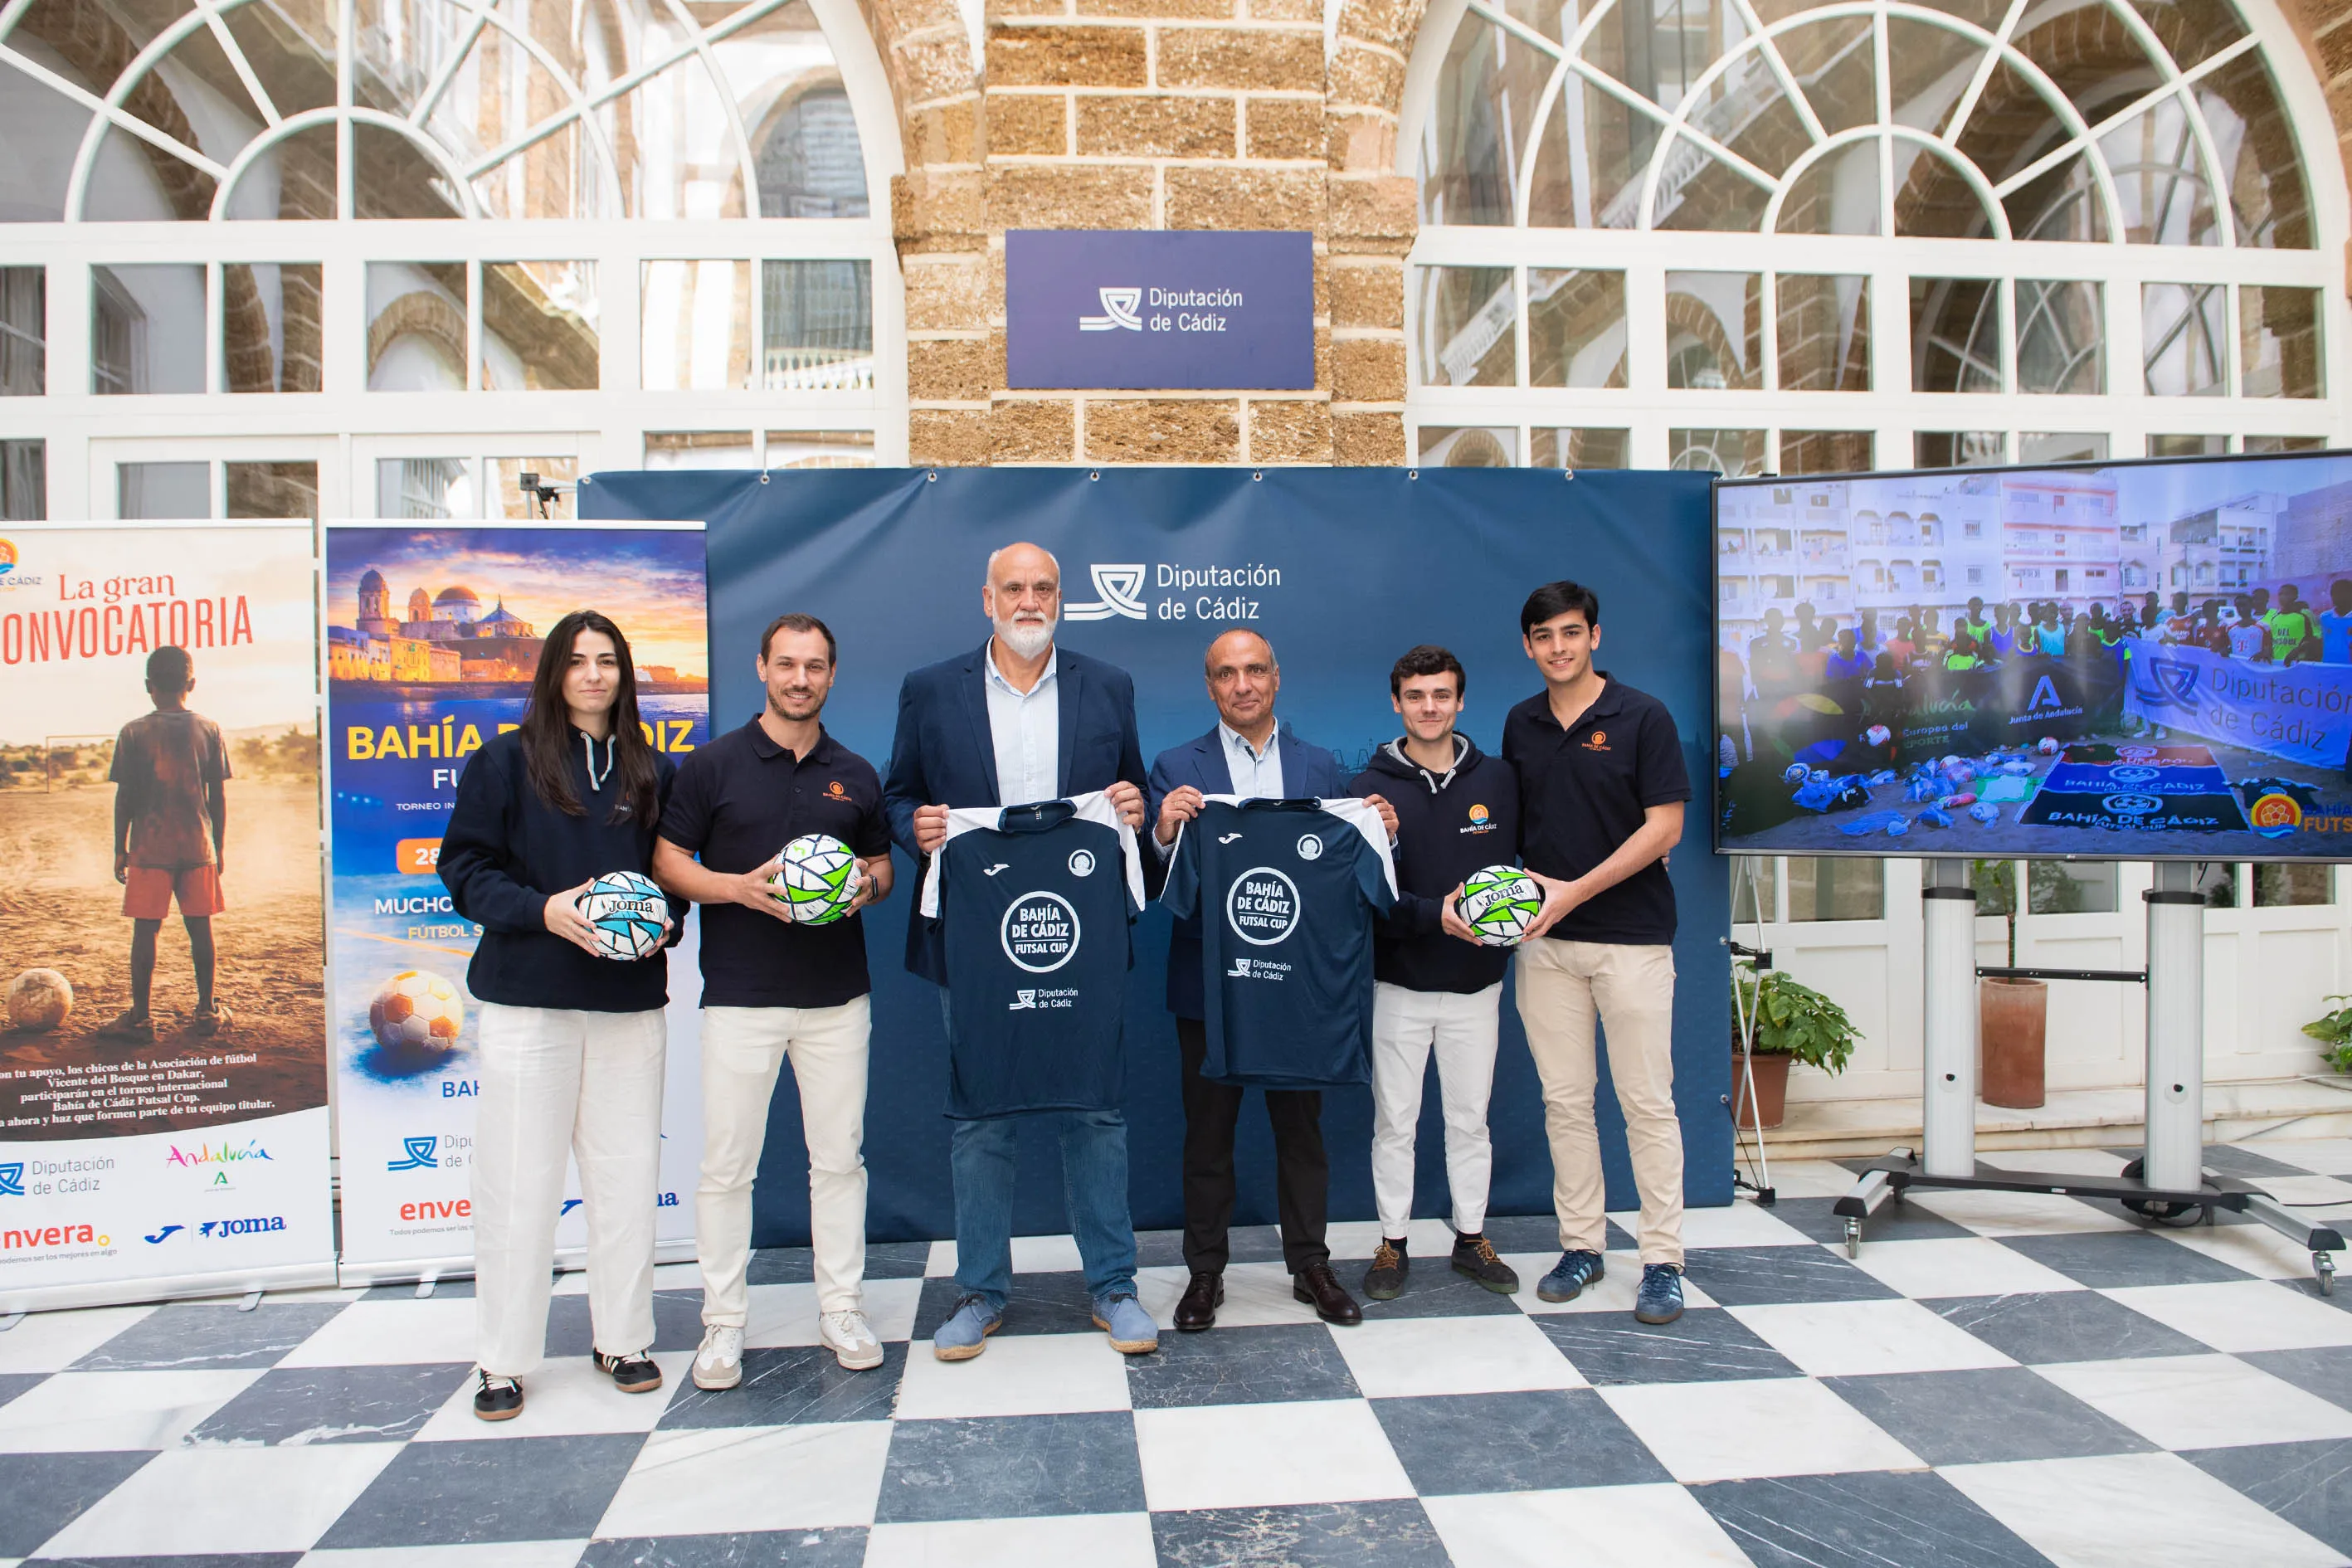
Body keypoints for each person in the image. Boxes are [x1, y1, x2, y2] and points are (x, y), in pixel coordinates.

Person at [882, 543, 1157, 1361]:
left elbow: (1131, 792)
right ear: (987, 599)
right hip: (972, 938)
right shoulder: (932, 690)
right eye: (1014, 588)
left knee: (1095, 1110)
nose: (1029, 600)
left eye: (1043, 588)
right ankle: (980, 1293)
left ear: (1062, 599)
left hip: (1081, 937)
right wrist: (917, 829)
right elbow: (900, 794)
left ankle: (1113, 1286)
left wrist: (1134, 810)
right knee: (981, 1118)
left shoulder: (1107, 685)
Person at [439, 610, 683, 1421]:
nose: (593, 674)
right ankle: (502, 1361)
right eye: (577, 661)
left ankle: (624, 1339)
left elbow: (673, 881)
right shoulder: (504, 762)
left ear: (624, 673)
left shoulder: (652, 769)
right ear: (553, 671)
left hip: (625, 1009)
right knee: (518, 1188)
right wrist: (542, 911)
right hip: (529, 1005)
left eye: (607, 660)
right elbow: (464, 869)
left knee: (624, 1182)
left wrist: (661, 926)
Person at [653, 613, 895, 1386]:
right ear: (762, 667)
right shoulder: (713, 765)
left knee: (839, 1164)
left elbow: (883, 868)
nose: (800, 679)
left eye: (815, 666)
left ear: (830, 675)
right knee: (727, 1168)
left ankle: (842, 1308)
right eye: (786, 664)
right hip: (739, 997)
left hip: (834, 999)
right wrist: (737, 890)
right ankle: (722, 1324)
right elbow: (666, 861)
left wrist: (864, 887)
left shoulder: (854, 772)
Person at [1150, 629, 1396, 1332]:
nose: (1242, 685)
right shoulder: (1176, 766)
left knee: (1301, 1132)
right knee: (1207, 1135)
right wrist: (1165, 830)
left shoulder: (1321, 769)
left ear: (1276, 678)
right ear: (1210, 687)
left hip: (1295, 985)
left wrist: (1382, 829)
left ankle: (1310, 1265)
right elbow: (1149, 873)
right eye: (1226, 674)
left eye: (1254, 670)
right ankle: (1204, 1276)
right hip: (1208, 982)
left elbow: (1350, 871)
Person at [1502, 580, 1691, 1327]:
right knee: (1564, 1103)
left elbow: (1664, 828)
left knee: (1646, 1103)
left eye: (1571, 633)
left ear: (1594, 637)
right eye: (1544, 636)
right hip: (1546, 950)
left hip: (1633, 944)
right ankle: (1581, 1245)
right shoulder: (1521, 724)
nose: (1558, 647)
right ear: (1528, 646)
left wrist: (1574, 890)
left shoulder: (1642, 716)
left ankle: (1662, 1260)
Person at [1346, 645, 1520, 1302]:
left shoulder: (1499, 779)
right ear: (1396, 703)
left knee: (1469, 1120)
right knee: (1395, 1121)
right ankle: (1392, 1243)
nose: (1429, 707)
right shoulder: (1366, 787)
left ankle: (1471, 1237)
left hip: (1478, 983)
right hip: (1398, 984)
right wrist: (1430, 916)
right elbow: (1361, 894)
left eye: (1441, 695)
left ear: (1460, 701)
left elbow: (1533, 862)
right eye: (1416, 696)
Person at [100, 645, 231, 1040]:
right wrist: (219, 846)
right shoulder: (209, 728)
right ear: (191, 684)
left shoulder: (133, 731)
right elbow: (218, 797)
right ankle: (207, 1012)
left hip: (149, 847)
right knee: (200, 928)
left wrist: (119, 847)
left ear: (148, 686)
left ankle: (140, 1019)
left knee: (146, 930)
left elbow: (124, 797)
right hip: (197, 847)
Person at [2270, 584, 2319, 665]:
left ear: (2295, 596)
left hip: (2297, 663)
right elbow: (2273, 641)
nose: (2282, 597)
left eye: (2286, 594)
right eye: (2280, 594)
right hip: (2277, 663)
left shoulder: (2305, 615)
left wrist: (2299, 650)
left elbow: (2315, 638)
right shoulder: (2275, 618)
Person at [2319, 581, 2352, 665]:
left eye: (2342, 593)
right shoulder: (2324, 617)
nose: (2337, 597)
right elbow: (2321, 640)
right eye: (2334, 593)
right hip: (2328, 666)